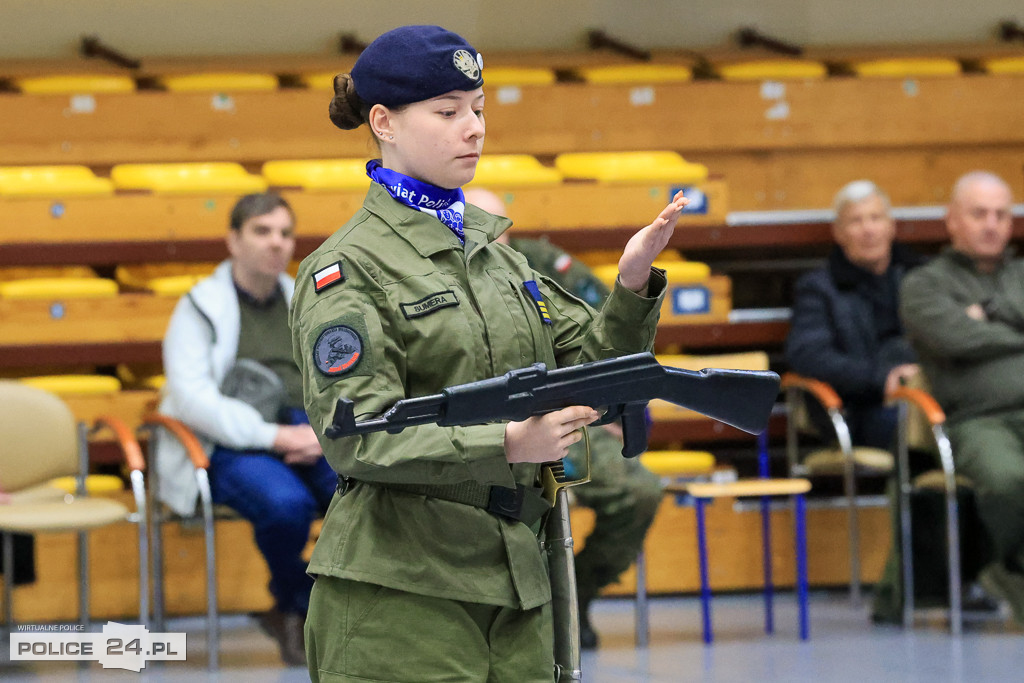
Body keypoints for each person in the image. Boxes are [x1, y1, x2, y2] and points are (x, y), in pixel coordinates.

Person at [289, 25, 686, 682]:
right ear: (383, 122)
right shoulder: (347, 268)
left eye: (477, 109)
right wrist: (504, 441)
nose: (472, 128)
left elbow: (589, 364)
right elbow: (355, 433)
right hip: (403, 592)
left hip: (515, 582)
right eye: (447, 113)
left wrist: (632, 285)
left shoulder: (498, 258)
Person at [464, 186, 664, 650]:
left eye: (499, 230)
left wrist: (614, 405)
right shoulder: (434, 278)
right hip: (482, 432)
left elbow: (612, 331)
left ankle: (574, 595)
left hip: (571, 419)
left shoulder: (544, 268)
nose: (490, 241)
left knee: (640, 492)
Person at [156, 192, 336, 666]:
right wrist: (273, 438)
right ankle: (297, 600)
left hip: (309, 433)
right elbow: (193, 399)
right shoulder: (199, 307)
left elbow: (339, 376)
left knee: (359, 494)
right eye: (262, 231)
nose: (276, 243)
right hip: (231, 440)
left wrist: (321, 434)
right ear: (233, 241)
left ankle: (339, 612)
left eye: (284, 233)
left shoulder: (308, 298)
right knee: (284, 506)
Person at [899, 170, 1024, 624]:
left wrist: (987, 315)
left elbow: (975, 334)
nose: (992, 224)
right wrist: (1013, 328)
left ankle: (1004, 570)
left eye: (1001, 214)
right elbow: (955, 340)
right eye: (978, 214)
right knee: (1009, 481)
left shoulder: (1021, 274)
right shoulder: (924, 285)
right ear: (952, 220)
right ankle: (1006, 569)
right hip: (976, 420)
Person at [785, 179, 923, 450]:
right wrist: (881, 379)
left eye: (875, 218)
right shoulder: (819, 289)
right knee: (912, 428)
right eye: (856, 221)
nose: (868, 229)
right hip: (858, 409)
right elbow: (809, 355)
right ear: (838, 232)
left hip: (929, 394)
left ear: (891, 226)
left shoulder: (921, 276)